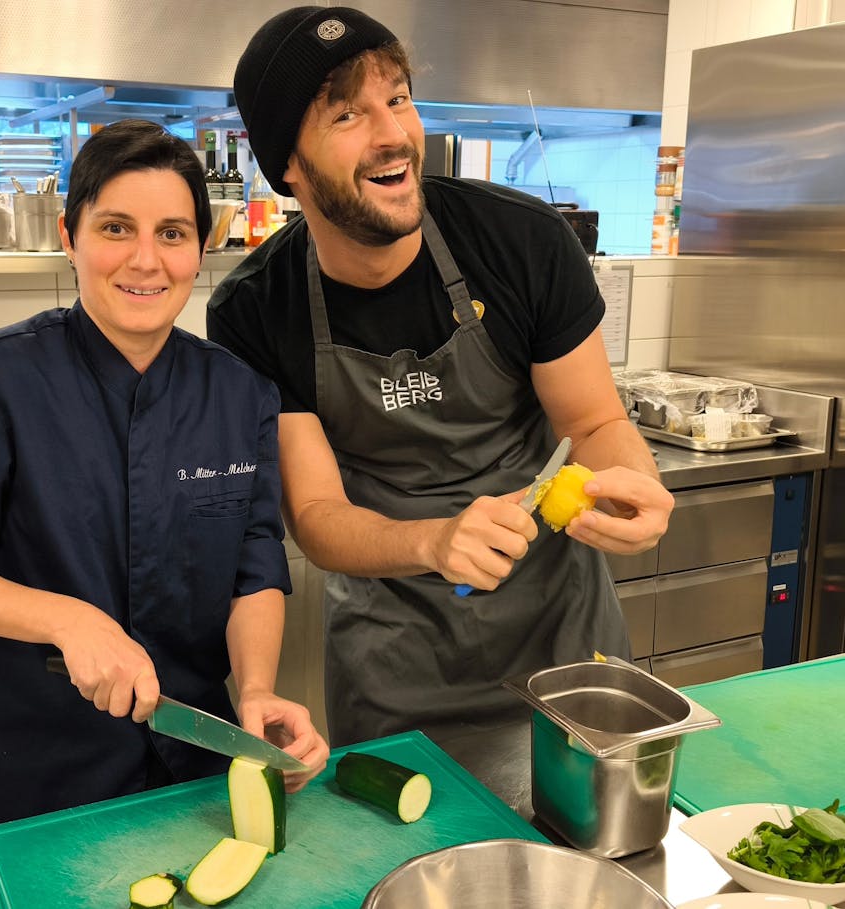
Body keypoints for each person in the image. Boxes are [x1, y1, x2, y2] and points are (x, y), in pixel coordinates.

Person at [209, 8, 676, 746]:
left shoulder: (521, 241)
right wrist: (435, 542)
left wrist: (632, 485)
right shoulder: (257, 308)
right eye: (347, 115)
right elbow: (319, 515)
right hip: (395, 666)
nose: (392, 133)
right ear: (286, 164)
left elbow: (592, 423)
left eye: (397, 98)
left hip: (563, 644)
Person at [0, 118, 328, 848]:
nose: (146, 260)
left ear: (200, 248)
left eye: (173, 233)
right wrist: (67, 619)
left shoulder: (239, 394)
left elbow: (254, 565)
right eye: (117, 227)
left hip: (193, 780)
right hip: (34, 787)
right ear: (68, 235)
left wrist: (260, 688)